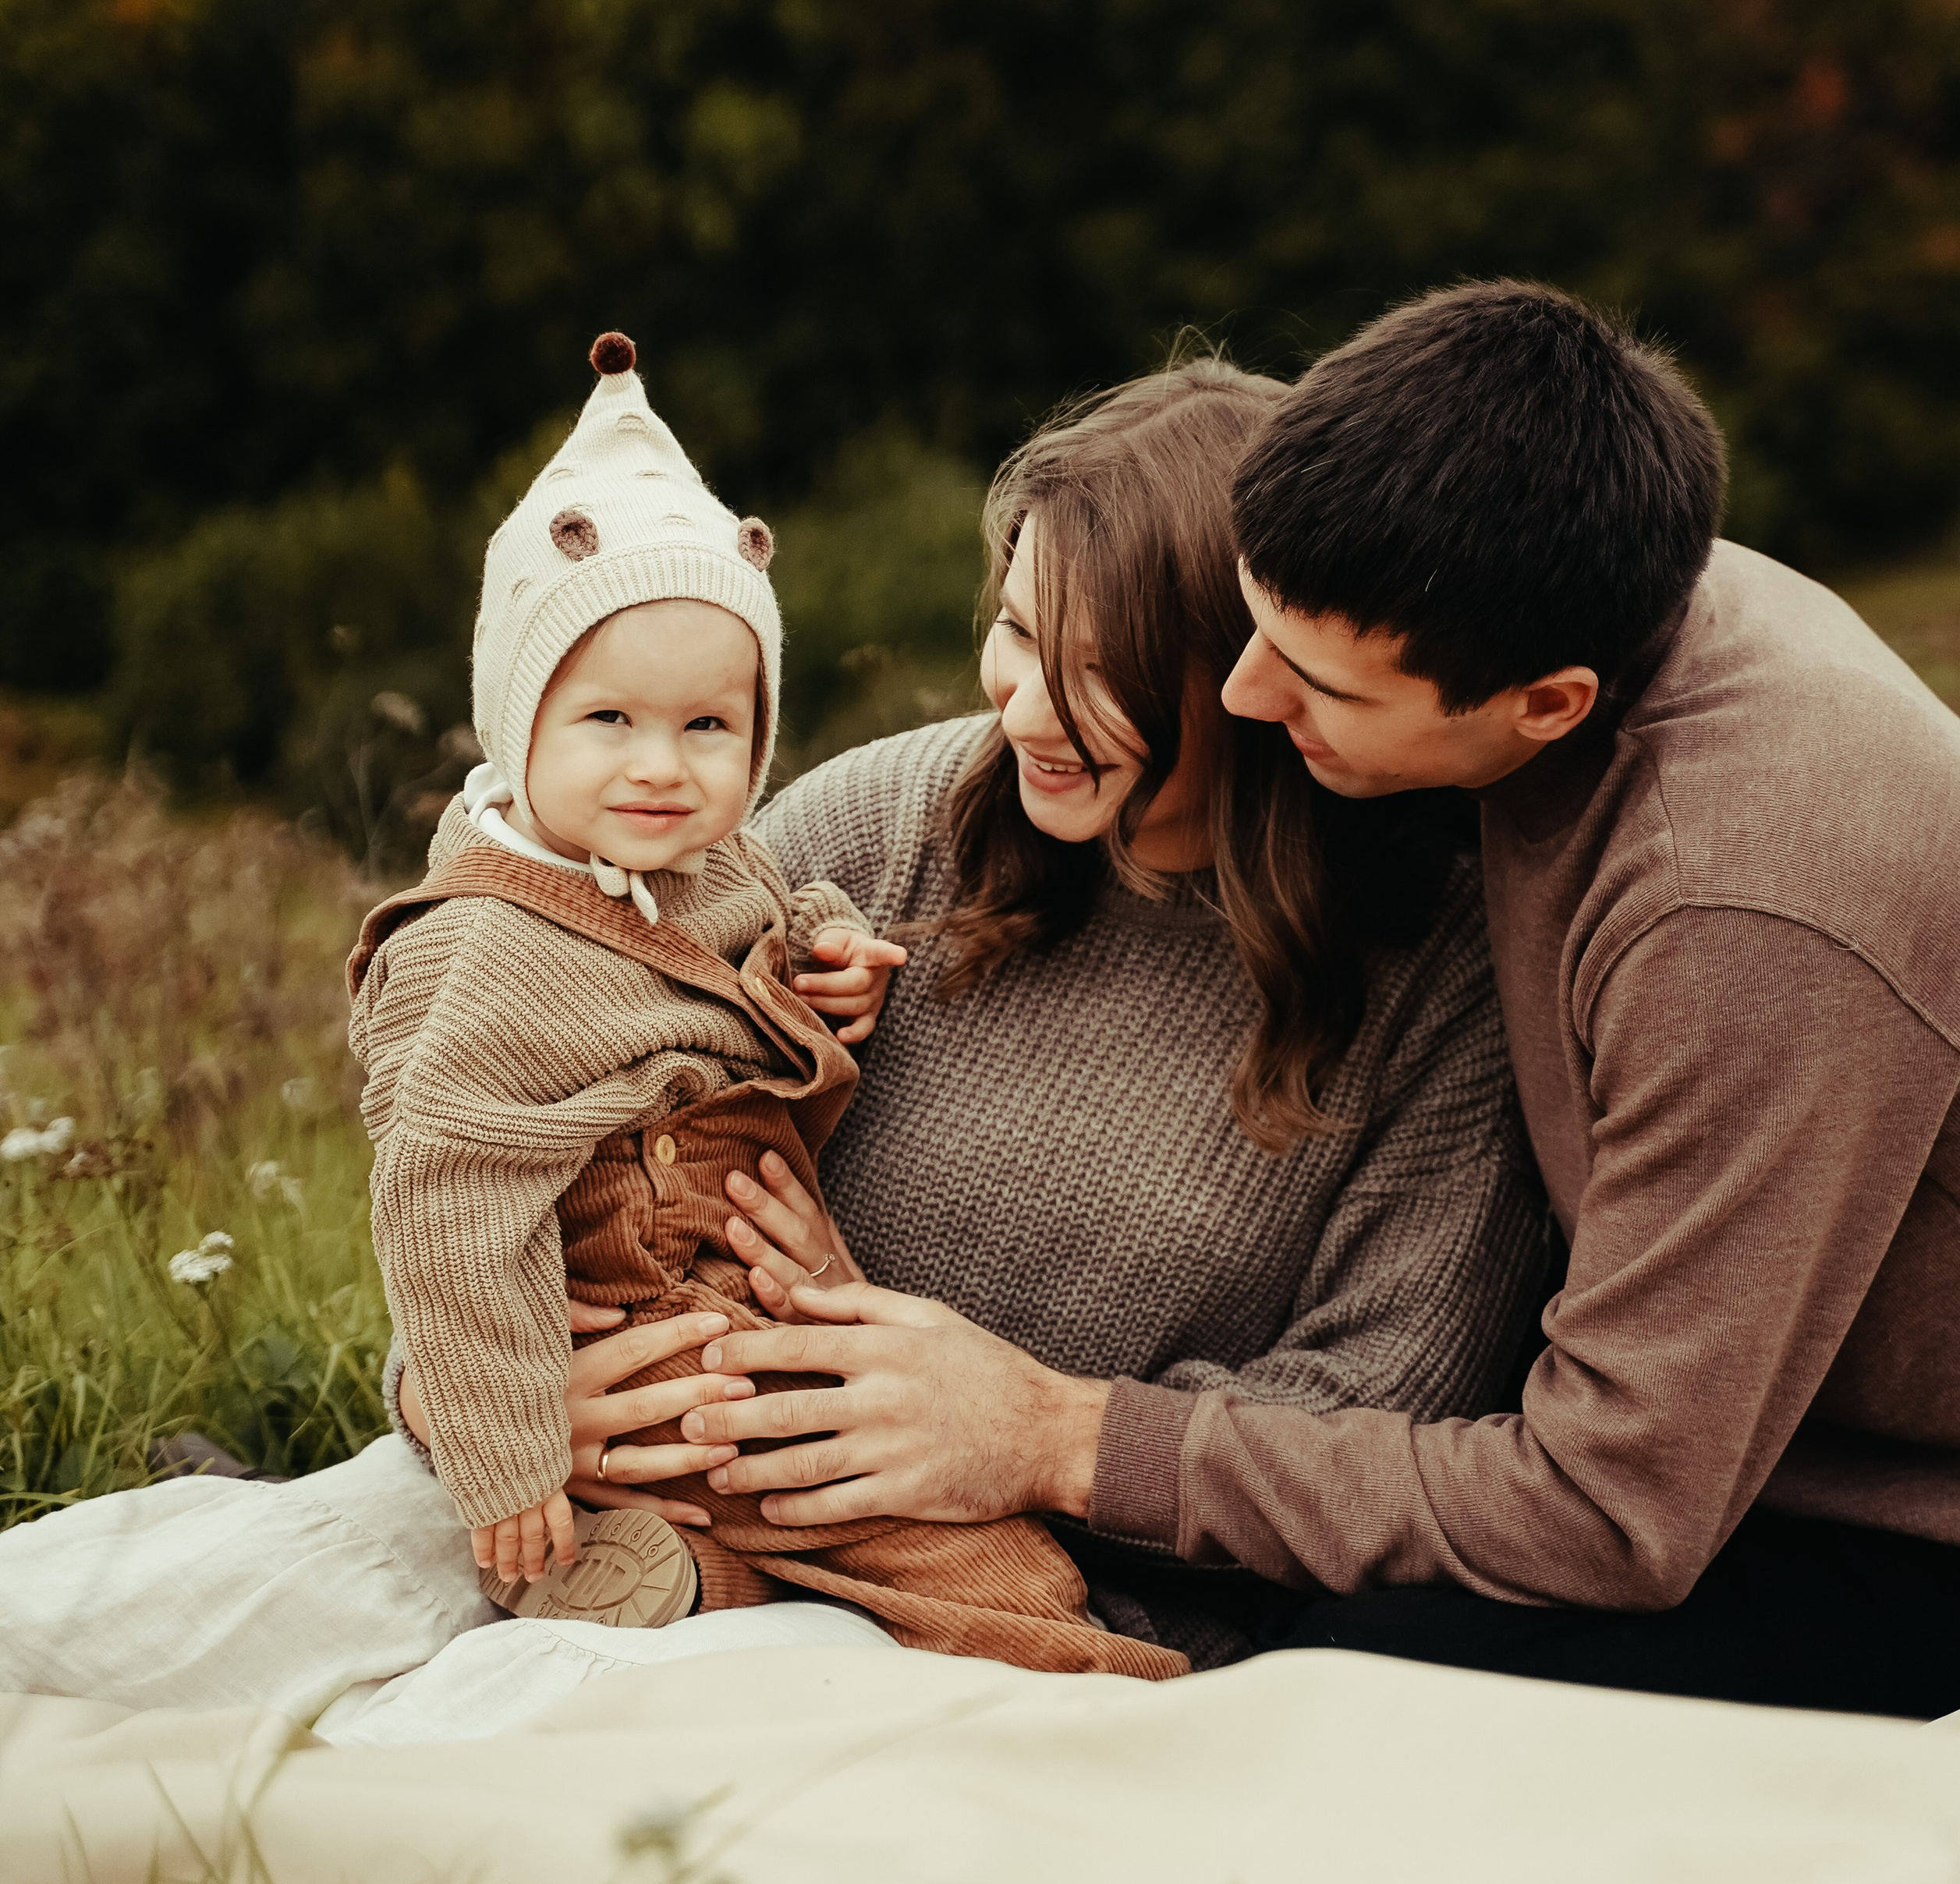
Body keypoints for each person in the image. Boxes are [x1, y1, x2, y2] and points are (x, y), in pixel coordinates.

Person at [432, 359, 1552, 1668]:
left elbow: (1383, 1427)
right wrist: (496, 1407)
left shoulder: (1439, 979)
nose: (1018, 705)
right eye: (1017, 631)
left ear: (1257, 681)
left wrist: (1027, 1434)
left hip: (1062, 1635)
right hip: (662, 1534)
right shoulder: (878, 824)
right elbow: (486, 1132)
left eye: (1098, 668)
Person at [1176, 279, 1960, 1718]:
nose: (1245, 696)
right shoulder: (1564, 572)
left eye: (1320, 687)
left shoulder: (1744, 903)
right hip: (1726, 1441)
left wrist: (1066, 1440)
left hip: (1932, 1521)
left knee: (1335, 1688)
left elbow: (1608, 1515)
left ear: (1548, 704)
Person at [356, 327, 1179, 1677]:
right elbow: (444, 1199)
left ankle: (689, 1583)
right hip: (651, 1299)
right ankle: (1102, 1686)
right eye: (609, 722)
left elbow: (758, 914)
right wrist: (501, 1440)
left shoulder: (705, 856)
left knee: (819, 1524)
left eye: (709, 728)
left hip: (744, 1303)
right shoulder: (486, 944)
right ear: (516, 723)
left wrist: (821, 954)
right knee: (957, 1558)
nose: (661, 769)